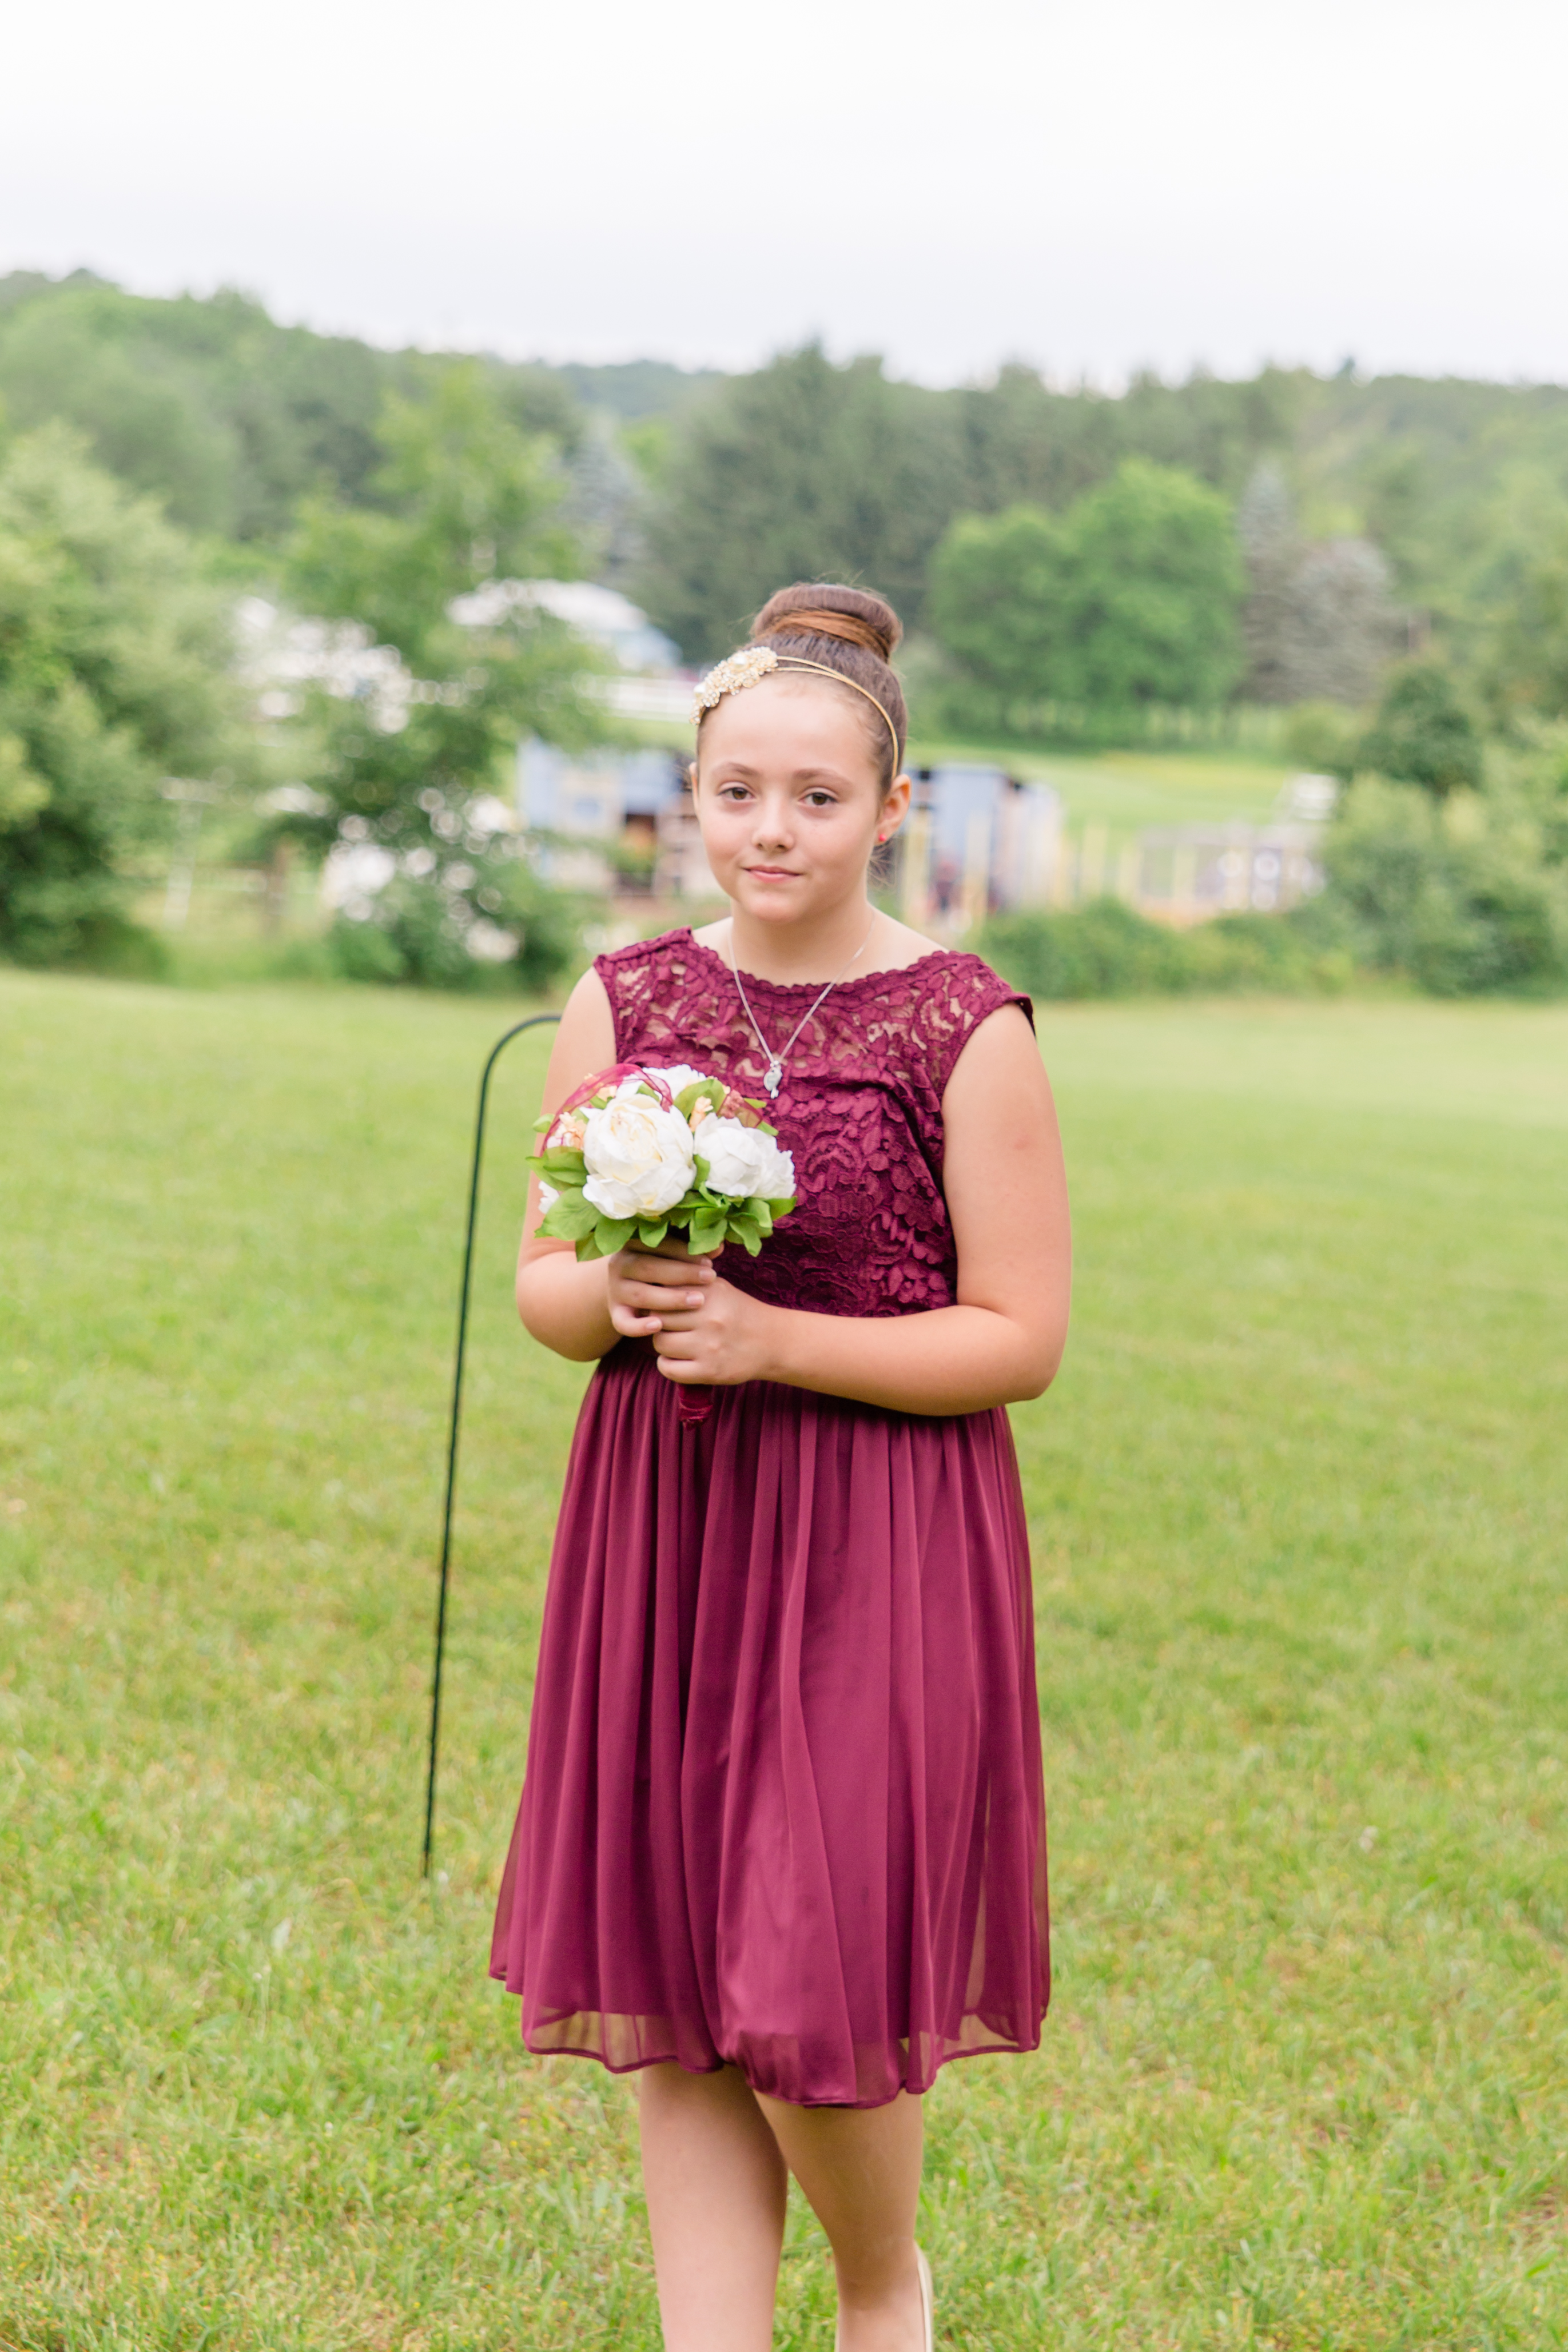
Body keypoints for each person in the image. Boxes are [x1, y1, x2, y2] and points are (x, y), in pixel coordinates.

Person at [492, 582, 1072, 2352]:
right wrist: (622, 1284)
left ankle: (881, 2281)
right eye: (737, 790)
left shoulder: (963, 1023)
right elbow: (544, 1292)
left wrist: (775, 1338)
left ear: (892, 808)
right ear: (691, 795)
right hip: (667, 1522)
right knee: (678, 1969)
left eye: (817, 796)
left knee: (807, 1966)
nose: (772, 828)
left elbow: (1020, 1335)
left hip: (876, 1538)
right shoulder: (625, 999)